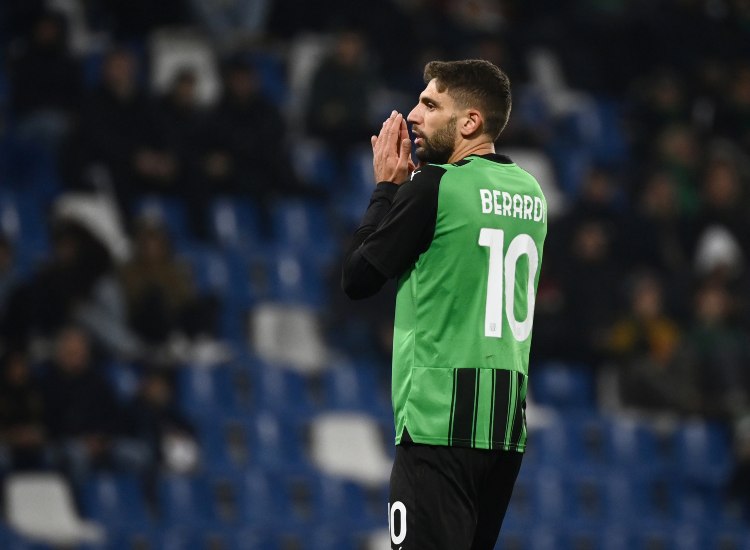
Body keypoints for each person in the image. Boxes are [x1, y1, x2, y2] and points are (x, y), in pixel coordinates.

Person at [341, 60, 548, 550]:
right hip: (503, 430)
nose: (413, 114)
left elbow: (357, 279)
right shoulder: (532, 194)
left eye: (430, 105)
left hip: (438, 424)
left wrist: (387, 190)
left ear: (470, 122)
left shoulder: (434, 185)